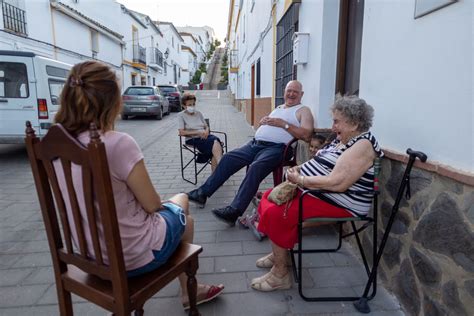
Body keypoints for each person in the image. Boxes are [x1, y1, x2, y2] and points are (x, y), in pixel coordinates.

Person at [53, 60, 224, 310]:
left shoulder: (55, 146)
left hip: (87, 254)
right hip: (131, 257)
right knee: (183, 205)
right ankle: (189, 290)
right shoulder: (117, 143)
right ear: (113, 102)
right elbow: (153, 205)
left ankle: (188, 287)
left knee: (179, 207)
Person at [251, 94, 383, 292]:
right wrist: (299, 168)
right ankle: (280, 254)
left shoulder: (362, 145)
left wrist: (301, 180)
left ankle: (280, 275)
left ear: (354, 124)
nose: (332, 127)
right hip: (320, 194)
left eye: (337, 122)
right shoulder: (345, 140)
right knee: (268, 198)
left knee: (276, 213)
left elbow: (337, 183)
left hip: (340, 202)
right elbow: (320, 164)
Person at [187, 80, 314, 226]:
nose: (291, 94)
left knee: (256, 166)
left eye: (295, 92)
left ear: (301, 94)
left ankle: (234, 210)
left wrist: (283, 124)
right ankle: (202, 193)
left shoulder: (303, 110)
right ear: (284, 92)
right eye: (289, 90)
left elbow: (306, 134)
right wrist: (264, 122)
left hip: (277, 148)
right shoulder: (279, 107)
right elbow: (272, 124)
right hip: (255, 144)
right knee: (228, 158)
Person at [178, 92, 223, 171]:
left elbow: (206, 126)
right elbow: (181, 132)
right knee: (215, 143)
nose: (192, 106)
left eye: (193, 104)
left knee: (215, 141)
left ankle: (216, 173)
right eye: (189, 105)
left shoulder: (198, 113)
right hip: (192, 139)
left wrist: (206, 131)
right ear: (184, 106)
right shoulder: (181, 115)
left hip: (205, 137)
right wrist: (198, 132)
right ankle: (221, 166)